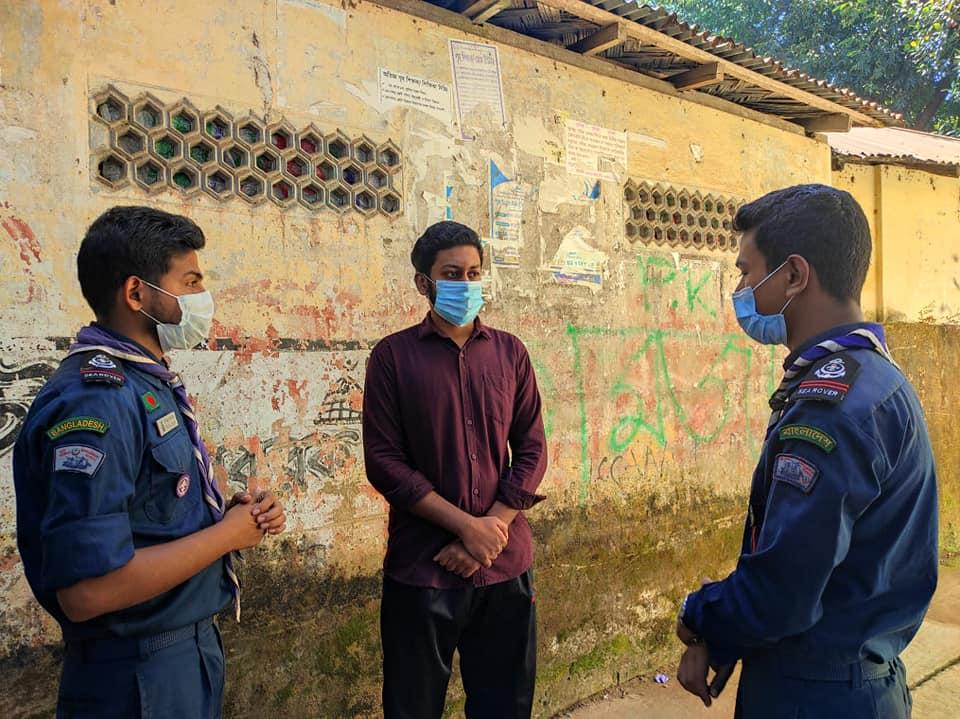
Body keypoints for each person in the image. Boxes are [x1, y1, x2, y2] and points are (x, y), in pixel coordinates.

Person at [674, 184, 938, 718]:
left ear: (794, 276)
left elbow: (783, 592)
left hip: (817, 694)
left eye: (748, 273)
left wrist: (701, 617)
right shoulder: (873, 379)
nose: (742, 291)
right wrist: (732, 639)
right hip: (852, 679)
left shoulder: (832, 405)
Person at [13, 206, 286, 718]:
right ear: (137, 294)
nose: (203, 300)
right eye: (190, 282)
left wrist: (227, 515)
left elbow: (149, 513)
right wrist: (229, 535)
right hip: (135, 677)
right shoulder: (97, 400)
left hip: (182, 655)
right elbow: (88, 592)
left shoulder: (145, 383)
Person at [363, 221, 548, 719]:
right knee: (413, 705)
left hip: (504, 568)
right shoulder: (392, 358)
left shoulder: (510, 353)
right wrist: (467, 528)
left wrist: (493, 529)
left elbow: (532, 448)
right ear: (424, 283)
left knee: (505, 705)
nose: (465, 285)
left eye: (473, 273)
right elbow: (384, 462)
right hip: (424, 568)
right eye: (451, 274)